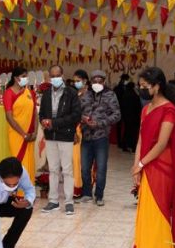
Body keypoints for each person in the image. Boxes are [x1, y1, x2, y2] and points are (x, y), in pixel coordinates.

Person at [131, 67, 175, 248]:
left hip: (162, 167)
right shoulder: (145, 109)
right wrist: (136, 166)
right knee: (146, 213)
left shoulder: (169, 110)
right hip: (146, 164)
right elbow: (141, 139)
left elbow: (162, 143)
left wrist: (142, 164)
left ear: (157, 86)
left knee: (158, 214)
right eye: (140, 85)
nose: (142, 89)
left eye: (145, 86)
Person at [39, 65, 82, 215]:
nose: (55, 78)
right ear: (49, 77)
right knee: (53, 169)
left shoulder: (71, 93)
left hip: (65, 135)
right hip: (50, 136)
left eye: (57, 76)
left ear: (62, 76)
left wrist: (55, 123)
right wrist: (43, 121)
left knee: (67, 169)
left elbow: (76, 115)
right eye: (52, 76)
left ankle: (69, 202)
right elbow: (41, 113)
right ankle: (53, 201)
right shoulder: (46, 93)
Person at [80, 69, 121, 206]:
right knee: (84, 168)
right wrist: (83, 118)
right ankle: (87, 193)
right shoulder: (85, 94)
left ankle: (99, 196)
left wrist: (100, 123)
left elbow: (117, 115)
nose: (97, 83)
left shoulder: (110, 95)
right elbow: (77, 111)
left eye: (100, 80)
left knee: (101, 168)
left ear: (104, 81)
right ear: (90, 82)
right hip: (86, 136)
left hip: (101, 137)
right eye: (94, 80)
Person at [3, 67, 37, 184]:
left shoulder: (30, 92)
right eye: (23, 76)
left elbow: (35, 114)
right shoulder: (9, 93)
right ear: (16, 78)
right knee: (18, 162)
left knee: (29, 161)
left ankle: (29, 188)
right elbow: (9, 117)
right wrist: (23, 134)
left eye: (26, 76)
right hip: (17, 134)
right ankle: (18, 190)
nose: (26, 79)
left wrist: (35, 132)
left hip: (30, 134)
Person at [71, 70, 89, 199]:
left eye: (78, 81)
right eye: (74, 81)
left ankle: (86, 188)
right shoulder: (75, 94)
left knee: (86, 162)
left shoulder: (91, 95)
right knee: (76, 160)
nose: (75, 83)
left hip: (88, 131)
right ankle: (77, 187)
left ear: (85, 81)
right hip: (76, 130)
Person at [121, 81, 142, 154]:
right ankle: (133, 147)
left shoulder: (125, 95)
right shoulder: (135, 95)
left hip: (126, 116)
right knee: (133, 133)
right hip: (134, 117)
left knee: (126, 131)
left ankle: (124, 146)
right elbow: (138, 107)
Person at [114, 73, 130, 151]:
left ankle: (120, 142)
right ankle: (121, 142)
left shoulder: (118, 87)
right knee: (121, 127)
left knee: (120, 127)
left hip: (120, 109)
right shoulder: (121, 88)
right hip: (122, 109)